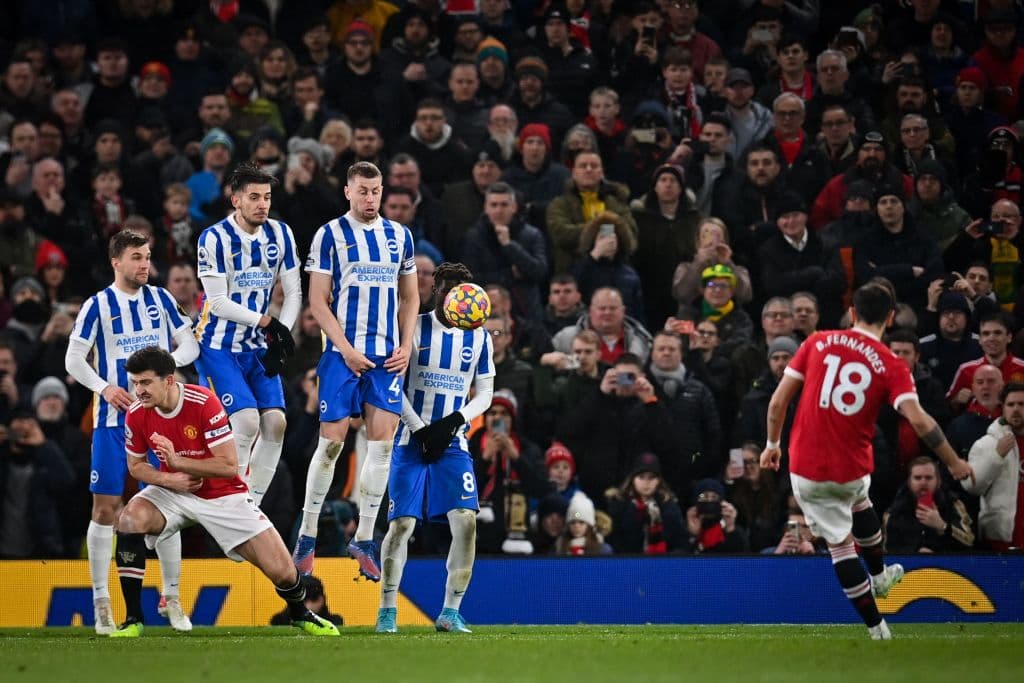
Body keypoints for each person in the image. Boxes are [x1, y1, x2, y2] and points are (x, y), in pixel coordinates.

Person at [761, 282, 974, 640]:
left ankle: (877, 620)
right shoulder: (892, 364)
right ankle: (879, 590)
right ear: (890, 318)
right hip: (852, 468)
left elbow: (778, 401)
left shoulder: (816, 342)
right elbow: (920, 420)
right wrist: (953, 461)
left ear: (853, 314)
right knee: (859, 502)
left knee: (841, 545)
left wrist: (771, 444)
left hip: (805, 467)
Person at [109, 346, 338, 637]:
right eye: (135, 383)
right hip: (175, 492)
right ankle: (133, 620)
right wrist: (172, 480)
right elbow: (136, 466)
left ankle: (300, 614)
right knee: (129, 519)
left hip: (223, 494)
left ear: (168, 380)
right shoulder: (136, 413)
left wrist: (179, 462)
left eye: (145, 382)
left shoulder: (203, 402)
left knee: (284, 572)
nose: (138, 390)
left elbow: (229, 466)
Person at [64, 230, 199, 635]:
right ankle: (101, 601)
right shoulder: (98, 305)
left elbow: (190, 345)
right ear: (116, 262)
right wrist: (104, 387)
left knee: (170, 506)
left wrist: (162, 368)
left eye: (148, 257)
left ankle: (171, 598)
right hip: (111, 421)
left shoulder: (160, 299)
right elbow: (73, 359)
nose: (145, 265)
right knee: (105, 509)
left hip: (160, 419)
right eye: (137, 257)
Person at [294, 161, 418, 581]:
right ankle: (307, 535)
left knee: (382, 447)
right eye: (363, 191)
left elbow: (410, 298)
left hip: (386, 359)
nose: (370, 199)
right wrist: (344, 349)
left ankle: (364, 537)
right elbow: (317, 300)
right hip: (341, 357)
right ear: (348, 191)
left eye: (376, 191)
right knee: (331, 444)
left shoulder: (399, 236)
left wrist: (406, 345)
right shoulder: (330, 234)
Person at [376, 262, 494, 634]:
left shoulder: (480, 337)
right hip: (411, 439)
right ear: (436, 290)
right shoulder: (413, 326)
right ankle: (388, 610)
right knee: (402, 525)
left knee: (466, 522)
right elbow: (393, 383)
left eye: (461, 291)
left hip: (452, 442)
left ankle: (451, 611)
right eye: (447, 291)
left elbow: (486, 393)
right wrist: (420, 428)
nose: (453, 298)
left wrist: (454, 423)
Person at [195, 163, 301, 507]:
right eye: (254, 197)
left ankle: (250, 504)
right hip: (218, 347)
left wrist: (281, 335)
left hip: (257, 346)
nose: (262, 204)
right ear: (236, 199)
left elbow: (294, 292)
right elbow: (218, 302)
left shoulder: (281, 234)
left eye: (267, 197)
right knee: (246, 421)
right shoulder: (213, 238)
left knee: (276, 424)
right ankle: (229, 503)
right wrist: (269, 324)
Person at [962, 382, 1024, 550]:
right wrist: (996, 456)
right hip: (999, 540)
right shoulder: (987, 444)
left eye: (1021, 404)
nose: (1016, 409)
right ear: (1002, 408)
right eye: (1011, 404)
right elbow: (971, 486)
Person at [883, 456, 974, 553]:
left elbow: (969, 542)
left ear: (938, 482)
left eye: (928, 478)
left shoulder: (953, 503)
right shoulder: (895, 510)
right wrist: (915, 552)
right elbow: (887, 549)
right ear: (909, 482)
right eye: (917, 478)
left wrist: (942, 526)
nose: (923, 482)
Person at [605, 452, 686, 554]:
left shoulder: (669, 506)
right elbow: (613, 542)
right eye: (641, 477)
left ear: (658, 480)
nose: (646, 482)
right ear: (633, 479)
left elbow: (680, 542)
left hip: (663, 564)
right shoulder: (619, 505)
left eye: (651, 477)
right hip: (628, 564)